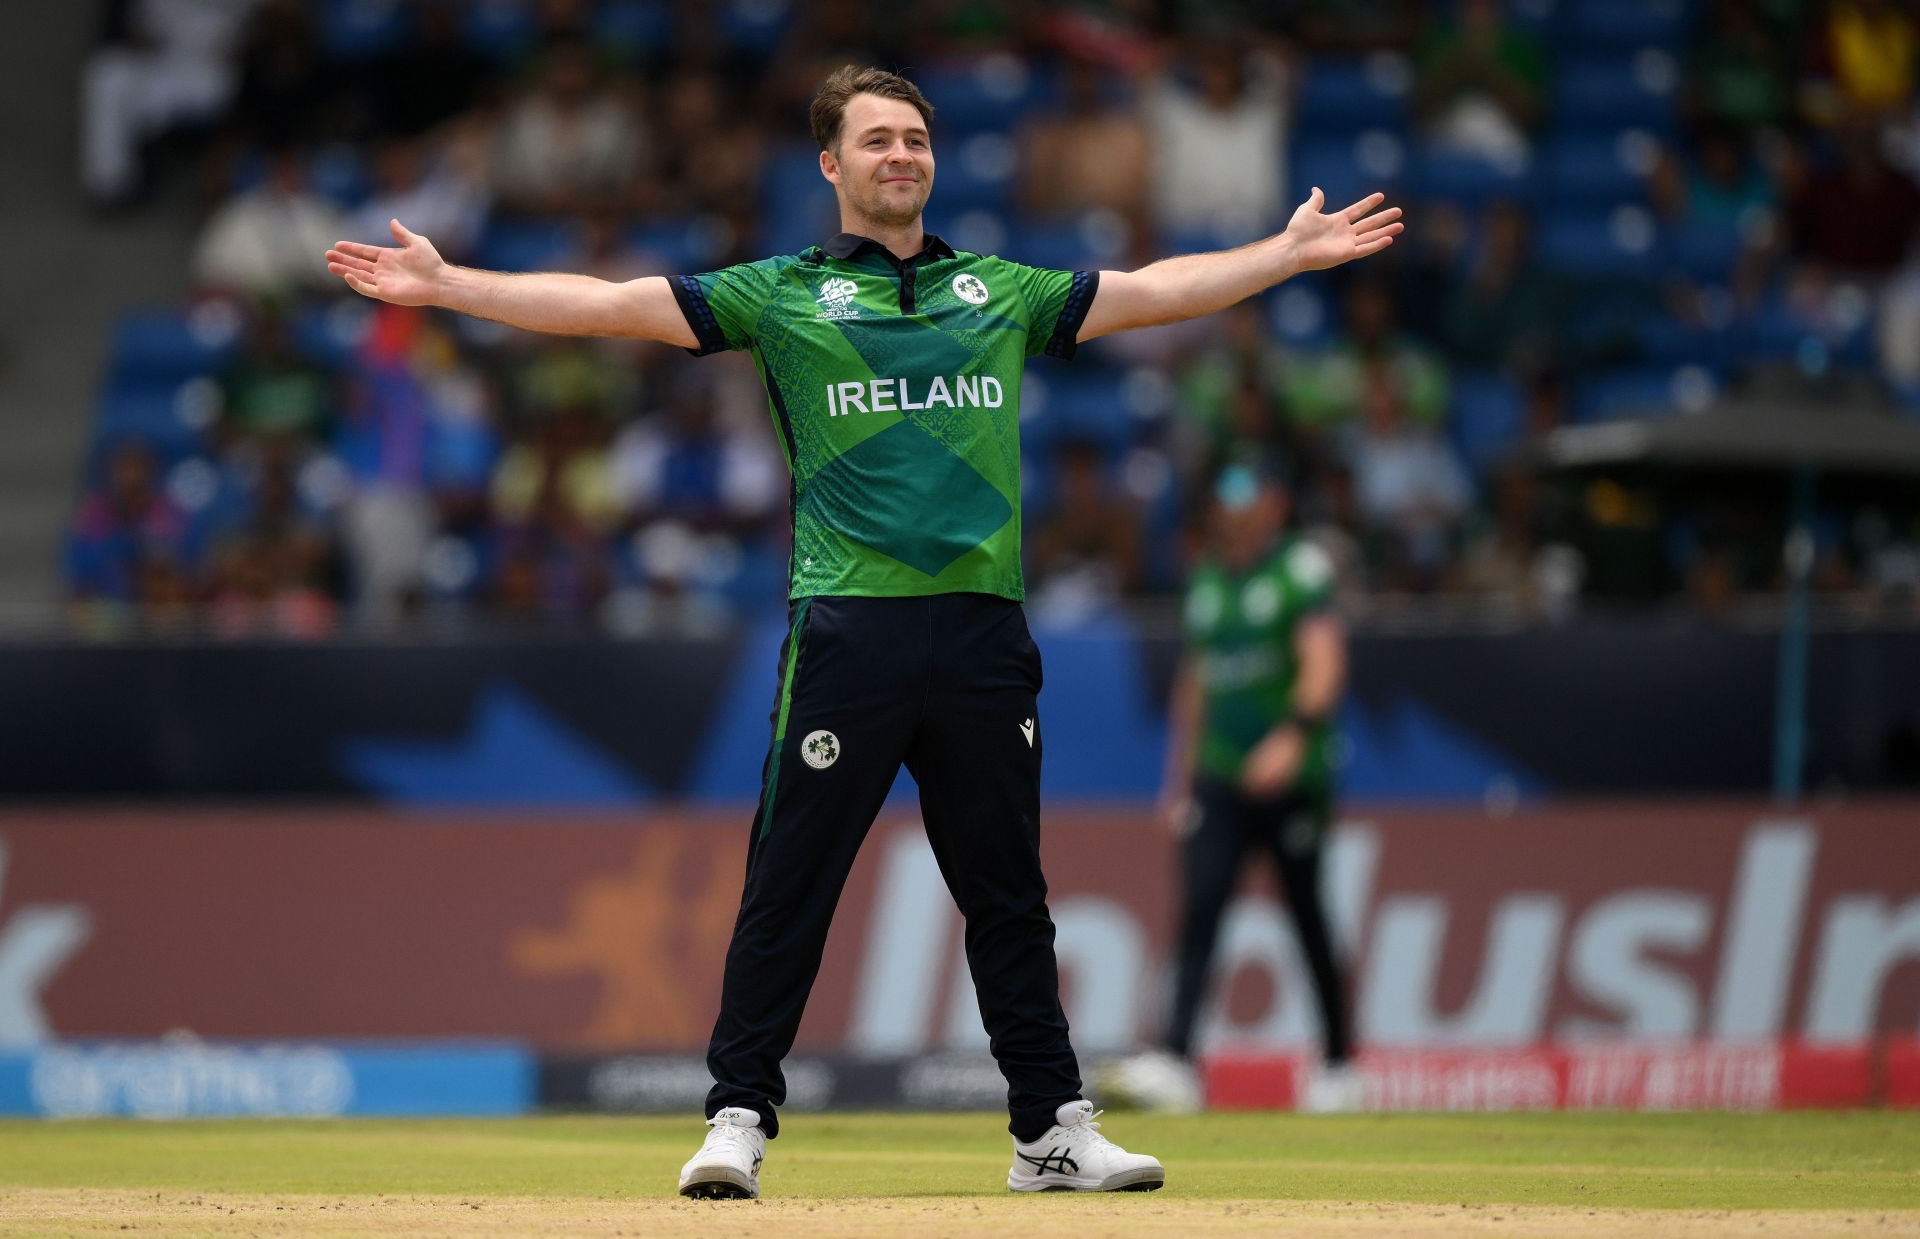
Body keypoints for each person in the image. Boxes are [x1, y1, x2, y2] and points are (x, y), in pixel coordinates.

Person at [324, 64, 1401, 1198]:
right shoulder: (780, 294)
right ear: (832, 164)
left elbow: (1154, 290)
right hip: (849, 632)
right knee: (792, 883)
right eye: (878, 140)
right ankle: (736, 1116)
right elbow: (608, 303)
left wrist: (1280, 258)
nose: (902, 155)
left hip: (984, 635)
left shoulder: (999, 290)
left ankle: (1051, 1131)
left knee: (1009, 896)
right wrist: (450, 288)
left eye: (917, 139)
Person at [1106, 461, 1359, 1114]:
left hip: (1289, 778)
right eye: (1228, 503)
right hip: (1220, 771)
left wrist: (1292, 736)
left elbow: (1324, 663)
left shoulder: (1298, 570)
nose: (1238, 516)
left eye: (1250, 503)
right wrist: (1178, 778)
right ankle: (1177, 1062)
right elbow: (1195, 684)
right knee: (1201, 909)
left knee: (1306, 916)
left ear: (1274, 506)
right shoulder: (1210, 579)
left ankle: (1338, 1064)